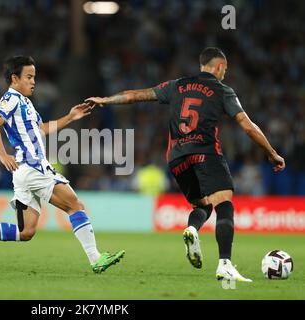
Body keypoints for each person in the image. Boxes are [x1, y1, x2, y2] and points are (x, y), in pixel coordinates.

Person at [86, 47, 285, 281]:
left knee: (202, 206)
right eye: (225, 70)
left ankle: (192, 229)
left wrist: (105, 100)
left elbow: (134, 95)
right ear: (219, 67)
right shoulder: (223, 90)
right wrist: (272, 153)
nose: (224, 74)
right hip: (206, 152)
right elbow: (248, 126)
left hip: (177, 158)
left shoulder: (177, 85)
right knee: (224, 204)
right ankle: (225, 264)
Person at [0, 56, 125, 274]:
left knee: (26, 232)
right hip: (32, 167)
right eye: (28, 77)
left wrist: (70, 117)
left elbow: (42, 129)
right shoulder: (11, 99)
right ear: (15, 78)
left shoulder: (25, 102)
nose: (33, 82)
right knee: (75, 205)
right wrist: (2, 155)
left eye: (34, 77)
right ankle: (95, 258)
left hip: (25, 172)